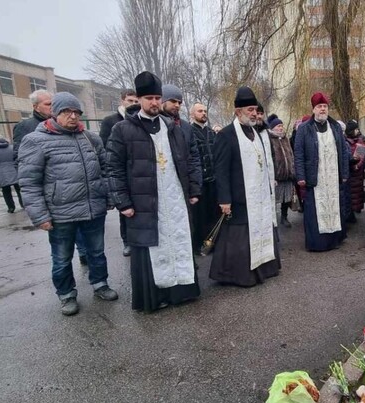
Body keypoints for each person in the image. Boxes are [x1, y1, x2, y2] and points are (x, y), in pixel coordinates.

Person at [106, 72, 202, 313]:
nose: (154, 103)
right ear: (139, 99)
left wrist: (194, 189)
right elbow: (113, 168)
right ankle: (155, 297)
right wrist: (122, 202)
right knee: (152, 246)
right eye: (149, 98)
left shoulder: (173, 128)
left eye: (157, 98)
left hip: (175, 199)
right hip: (144, 202)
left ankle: (181, 292)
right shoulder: (122, 130)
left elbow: (190, 161)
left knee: (178, 241)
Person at [18, 92, 117, 316]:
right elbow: (29, 182)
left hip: (93, 209)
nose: (73, 116)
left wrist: (109, 197)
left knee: (97, 252)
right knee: (62, 258)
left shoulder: (90, 138)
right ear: (55, 113)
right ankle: (66, 295)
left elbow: (106, 170)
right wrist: (40, 216)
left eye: (77, 112)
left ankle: (100, 283)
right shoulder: (36, 140)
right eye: (66, 112)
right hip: (60, 213)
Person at [210, 86, 280, 286]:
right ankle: (236, 275)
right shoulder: (226, 135)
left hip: (258, 196)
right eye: (249, 110)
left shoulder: (255, 132)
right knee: (238, 239)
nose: (253, 113)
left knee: (260, 232)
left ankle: (263, 269)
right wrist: (224, 199)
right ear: (237, 112)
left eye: (254, 109)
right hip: (239, 197)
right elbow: (220, 170)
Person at [294, 92, 350, 251]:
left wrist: (344, 173)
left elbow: (343, 152)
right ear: (313, 109)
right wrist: (300, 176)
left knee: (334, 207)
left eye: (325, 106)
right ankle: (318, 243)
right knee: (315, 210)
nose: (323, 109)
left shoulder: (336, 127)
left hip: (333, 177)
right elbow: (298, 154)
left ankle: (334, 240)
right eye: (319, 107)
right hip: (315, 176)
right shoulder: (304, 129)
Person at [98, 89, 139, 257]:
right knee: (126, 210)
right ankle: (127, 242)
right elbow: (106, 147)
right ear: (122, 101)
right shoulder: (111, 121)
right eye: (130, 100)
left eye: (136, 100)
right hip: (122, 171)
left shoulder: (140, 121)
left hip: (138, 170)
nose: (133, 104)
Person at [189, 102, 220, 252]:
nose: (203, 113)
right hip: (199, 182)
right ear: (192, 114)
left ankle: (212, 243)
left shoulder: (210, 132)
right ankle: (198, 245)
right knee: (199, 217)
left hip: (213, 180)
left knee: (213, 214)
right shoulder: (189, 132)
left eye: (205, 111)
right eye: (200, 111)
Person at [267, 114, 295, 228]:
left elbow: (291, 155)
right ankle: (272, 219)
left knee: (286, 199)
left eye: (281, 126)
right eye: (278, 126)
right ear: (273, 127)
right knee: (275, 199)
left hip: (287, 174)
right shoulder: (269, 139)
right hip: (277, 176)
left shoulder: (285, 139)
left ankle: (284, 217)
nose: (280, 128)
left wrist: (293, 170)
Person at [13, 89, 52, 164]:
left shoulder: (60, 124)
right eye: (48, 104)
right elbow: (19, 157)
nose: (52, 107)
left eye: (53, 104)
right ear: (36, 107)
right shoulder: (24, 126)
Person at [344, 120, 365, 223]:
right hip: (349, 171)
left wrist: (357, 165)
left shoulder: (360, 141)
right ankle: (350, 214)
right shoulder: (344, 141)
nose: (357, 131)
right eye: (356, 129)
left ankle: (353, 212)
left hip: (357, 172)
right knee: (350, 194)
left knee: (356, 193)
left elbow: (362, 156)